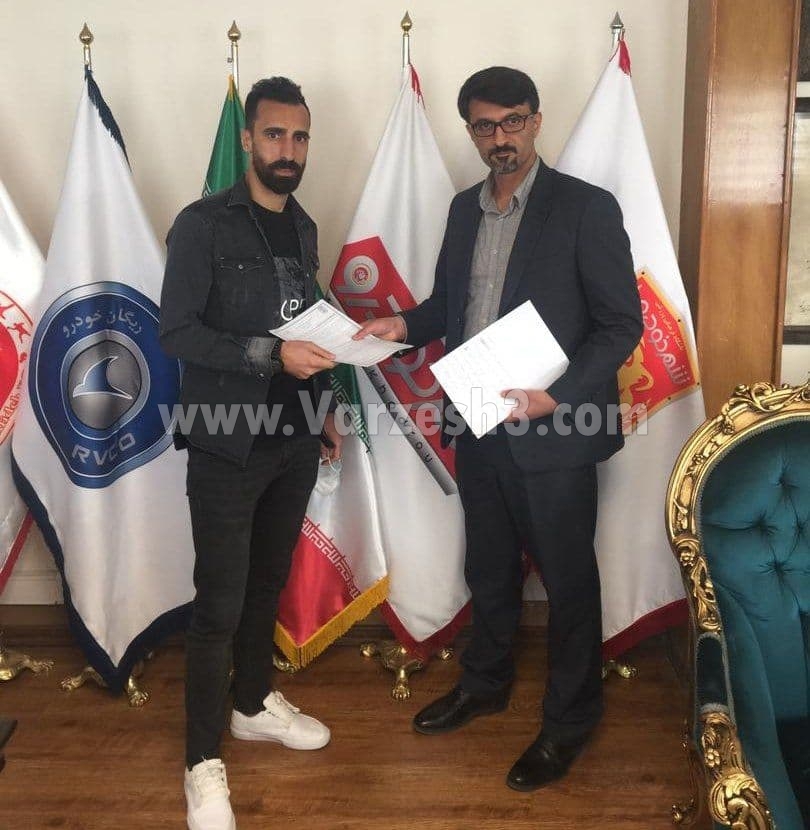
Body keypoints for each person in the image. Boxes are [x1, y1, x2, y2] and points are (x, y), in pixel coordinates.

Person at [356, 66, 643, 791]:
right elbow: (449, 306)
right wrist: (402, 325)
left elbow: (620, 325)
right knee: (487, 566)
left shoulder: (585, 208)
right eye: (485, 126)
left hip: (555, 430)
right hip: (477, 418)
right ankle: (485, 684)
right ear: (472, 132)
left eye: (513, 121)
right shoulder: (463, 210)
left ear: (536, 121)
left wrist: (558, 396)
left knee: (568, 580)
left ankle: (569, 720)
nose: (500, 138)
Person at [160, 76, 342, 830]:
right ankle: (201, 761)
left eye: (299, 137)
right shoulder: (202, 224)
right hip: (226, 443)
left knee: (266, 585)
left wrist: (324, 408)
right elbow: (177, 332)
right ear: (247, 139)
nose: (288, 150)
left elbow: (312, 326)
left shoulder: (304, 226)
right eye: (274, 135)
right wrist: (271, 356)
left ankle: (252, 704)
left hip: (295, 440)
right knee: (219, 604)